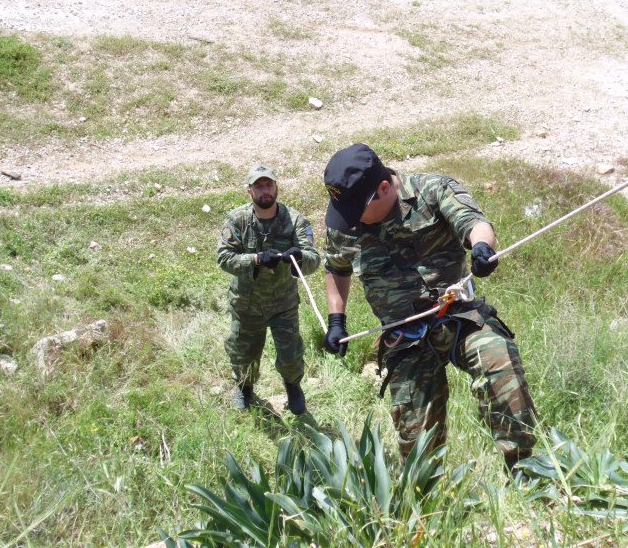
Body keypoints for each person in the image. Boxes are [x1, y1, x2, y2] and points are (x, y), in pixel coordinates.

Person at [320, 143, 538, 472]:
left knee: (500, 363)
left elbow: (475, 223)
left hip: (460, 318)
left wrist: (481, 246)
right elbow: (337, 268)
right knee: (416, 438)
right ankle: (428, 498)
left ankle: (524, 472)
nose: (351, 220)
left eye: (357, 209)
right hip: (405, 338)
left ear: (384, 188)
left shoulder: (433, 191)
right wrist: (337, 320)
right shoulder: (347, 222)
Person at [217, 165, 320, 415]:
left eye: (269, 185)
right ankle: (245, 387)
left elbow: (313, 258)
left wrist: (299, 257)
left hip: (283, 303)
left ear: (276, 187)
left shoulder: (295, 220)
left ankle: (293, 387)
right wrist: (256, 260)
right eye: (259, 186)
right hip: (247, 303)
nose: (265, 191)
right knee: (244, 352)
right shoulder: (237, 220)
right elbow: (224, 258)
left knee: (291, 354)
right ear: (249, 191)